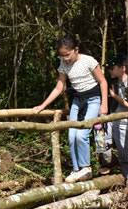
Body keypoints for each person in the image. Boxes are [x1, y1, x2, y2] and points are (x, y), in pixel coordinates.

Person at [33, 36, 108, 183]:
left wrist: (103, 104)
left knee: (82, 134)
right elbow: (59, 86)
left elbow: (102, 81)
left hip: (93, 100)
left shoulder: (89, 61)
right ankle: (76, 169)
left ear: (76, 50)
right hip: (77, 100)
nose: (65, 58)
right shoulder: (63, 64)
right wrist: (42, 106)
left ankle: (86, 168)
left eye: (67, 55)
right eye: (61, 55)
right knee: (71, 134)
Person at [106, 54, 128, 179]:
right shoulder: (112, 83)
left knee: (125, 155)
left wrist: (115, 96)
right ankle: (109, 162)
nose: (109, 70)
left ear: (122, 68)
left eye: (112, 68)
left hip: (126, 124)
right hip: (112, 120)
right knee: (101, 141)